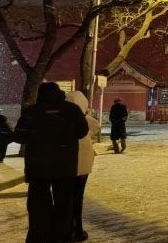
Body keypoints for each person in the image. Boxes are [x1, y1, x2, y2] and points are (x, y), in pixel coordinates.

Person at [13, 82, 89, 243]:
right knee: (64, 204)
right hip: (65, 165)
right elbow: (82, 132)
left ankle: (38, 236)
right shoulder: (71, 110)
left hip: (38, 167)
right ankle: (61, 236)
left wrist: (38, 137)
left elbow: (19, 136)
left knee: (38, 205)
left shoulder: (31, 112)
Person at [66, 90, 101, 242]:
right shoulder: (85, 119)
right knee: (77, 198)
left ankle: (65, 229)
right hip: (82, 166)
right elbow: (97, 128)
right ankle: (76, 229)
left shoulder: (60, 118)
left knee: (65, 199)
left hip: (64, 165)